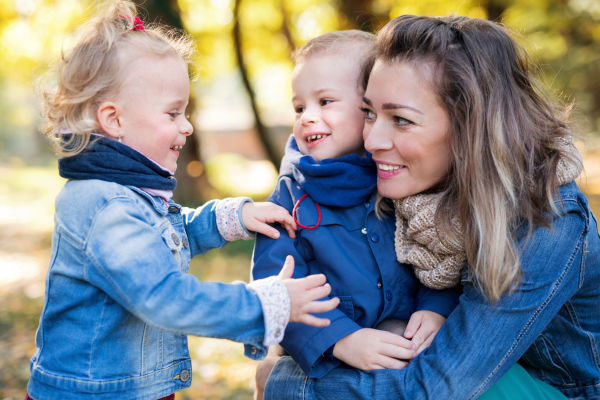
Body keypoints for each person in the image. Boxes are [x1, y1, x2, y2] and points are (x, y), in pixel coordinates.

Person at [261, 14, 600, 400]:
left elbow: (437, 388)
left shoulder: (546, 223)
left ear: (468, 127)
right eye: (369, 113)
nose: (371, 141)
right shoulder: (419, 196)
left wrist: (283, 382)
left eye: (401, 120)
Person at [26, 2, 340, 399]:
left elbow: (167, 233)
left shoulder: (129, 192)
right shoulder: (102, 205)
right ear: (114, 119)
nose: (187, 126)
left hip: (136, 387)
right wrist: (266, 305)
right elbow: (165, 297)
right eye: (173, 113)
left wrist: (232, 217)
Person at [251, 30, 461, 397]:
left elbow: (438, 257)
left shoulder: (402, 178)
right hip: (329, 360)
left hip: (407, 348)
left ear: (368, 108)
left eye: (325, 101)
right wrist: (340, 339)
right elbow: (277, 286)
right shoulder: (289, 197)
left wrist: (436, 308)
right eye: (299, 107)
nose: (306, 118)